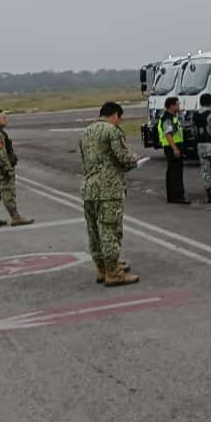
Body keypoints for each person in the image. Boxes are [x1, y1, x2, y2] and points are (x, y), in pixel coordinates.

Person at [79, 102, 139, 286]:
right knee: (110, 230)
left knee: (94, 231)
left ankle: (102, 268)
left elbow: (84, 159)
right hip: (108, 188)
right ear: (115, 115)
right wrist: (134, 159)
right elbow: (123, 157)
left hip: (89, 188)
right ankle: (113, 273)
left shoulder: (86, 132)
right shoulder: (112, 131)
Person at [0, 109, 33, 226]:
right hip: (1, 170)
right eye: (3, 117)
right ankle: (15, 217)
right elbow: (0, 153)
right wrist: (8, 168)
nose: (6, 119)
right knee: (8, 192)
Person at [155, 96, 189, 205]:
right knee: (175, 172)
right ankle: (177, 196)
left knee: (173, 171)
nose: (179, 106)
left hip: (173, 146)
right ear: (171, 106)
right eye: (177, 104)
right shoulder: (167, 118)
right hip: (172, 147)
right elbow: (168, 134)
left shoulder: (172, 117)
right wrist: (175, 149)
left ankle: (174, 196)